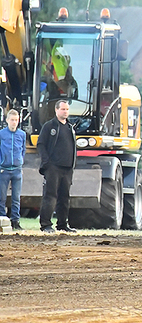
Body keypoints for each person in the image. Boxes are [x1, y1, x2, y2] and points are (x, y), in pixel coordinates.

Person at [37, 99, 77, 233]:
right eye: (63, 109)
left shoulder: (70, 127)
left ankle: (62, 224)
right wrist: (46, 162)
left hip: (67, 168)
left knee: (64, 197)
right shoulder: (49, 126)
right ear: (56, 110)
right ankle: (46, 224)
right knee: (50, 195)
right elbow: (41, 144)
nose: (65, 112)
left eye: (67, 109)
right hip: (53, 167)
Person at [0, 109, 26, 230]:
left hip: (17, 170)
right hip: (3, 170)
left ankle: (15, 221)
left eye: (16, 120)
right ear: (7, 120)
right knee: (2, 197)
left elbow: (23, 150)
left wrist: (20, 163)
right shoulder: (1, 134)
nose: (14, 122)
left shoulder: (22, 134)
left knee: (16, 198)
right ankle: (2, 219)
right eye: (12, 120)